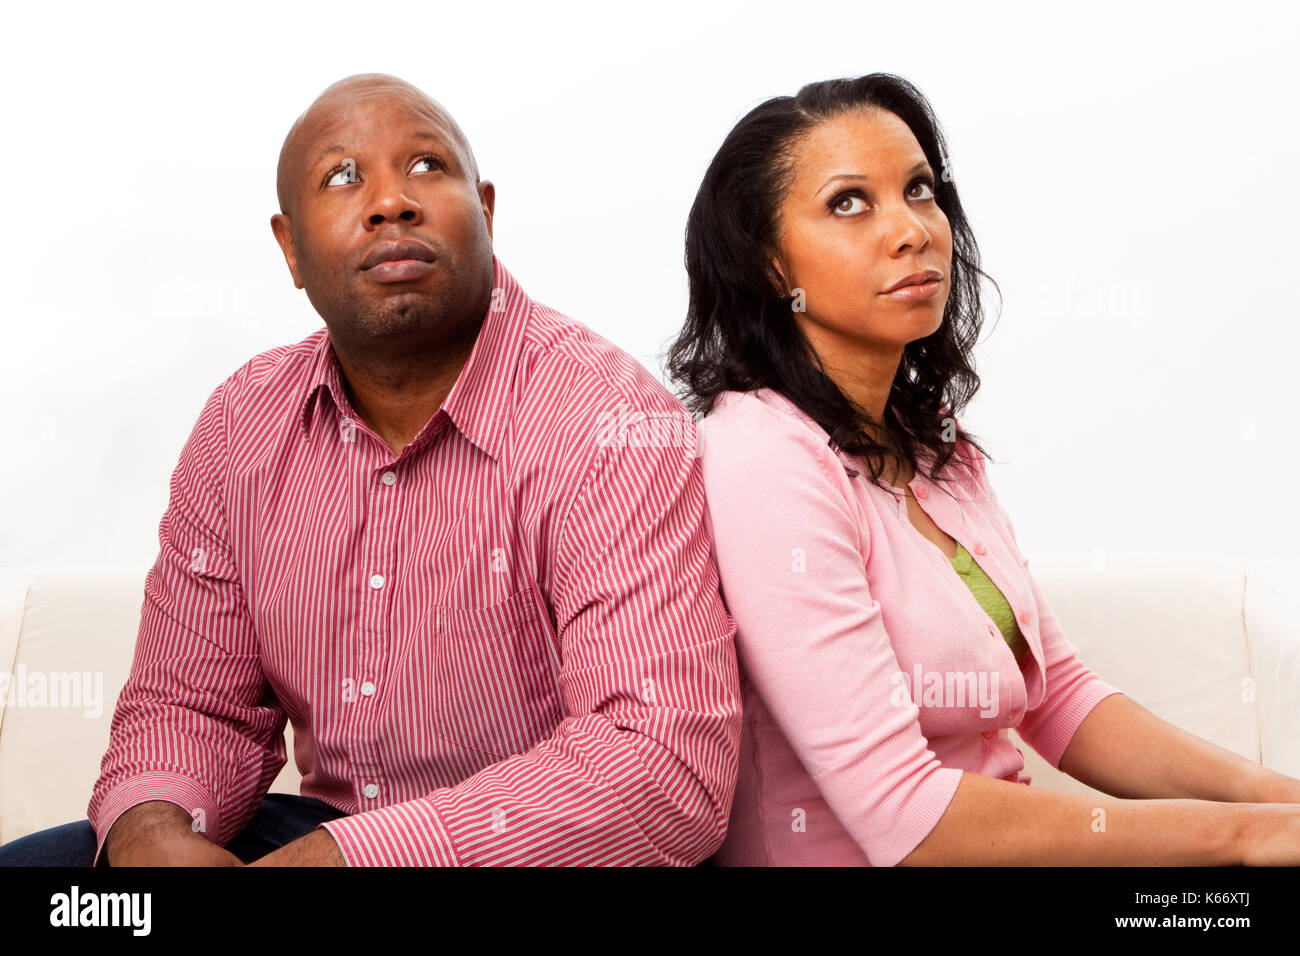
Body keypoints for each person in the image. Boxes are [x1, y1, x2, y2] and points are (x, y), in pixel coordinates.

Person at [0, 73, 741, 867]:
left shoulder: (611, 420)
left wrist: (351, 860)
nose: (392, 202)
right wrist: (153, 832)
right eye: (343, 177)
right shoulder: (241, 425)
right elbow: (193, 706)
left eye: (427, 166)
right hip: (317, 836)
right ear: (290, 249)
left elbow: (662, 769)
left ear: (486, 212)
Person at [665, 72, 1300, 866]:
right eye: (849, 203)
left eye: (920, 190)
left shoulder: (933, 445)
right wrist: (1244, 841)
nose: (911, 231)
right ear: (768, 264)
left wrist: (1280, 801)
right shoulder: (764, 459)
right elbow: (907, 819)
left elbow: (1060, 697)